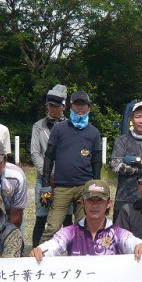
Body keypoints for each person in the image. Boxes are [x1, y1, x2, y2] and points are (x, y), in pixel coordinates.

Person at [39, 91, 102, 241]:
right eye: (77, 104)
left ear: (89, 108)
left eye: (83, 104)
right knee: (53, 227)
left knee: (83, 227)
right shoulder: (59, 129)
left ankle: (80, 256)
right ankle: (39, 257)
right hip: (61, 187)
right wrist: (45, 182)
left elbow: (96, 161)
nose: (80, 107)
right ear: (70, 107)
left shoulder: (94, 132)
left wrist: (96, 184)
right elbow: (49, 156)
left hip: (84, 187)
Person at [30, 84, 72, 247]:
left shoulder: (70, 126)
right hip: (44, 179)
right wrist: (47, 174)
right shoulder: (38, 126)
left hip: (65, 180)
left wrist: (61, 175)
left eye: (57, 105)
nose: (53, 109)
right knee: (41, 218)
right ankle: (36, 250)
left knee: (67, 218)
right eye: (50, 105)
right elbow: (35, 153)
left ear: (64, 106)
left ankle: (69, 253)